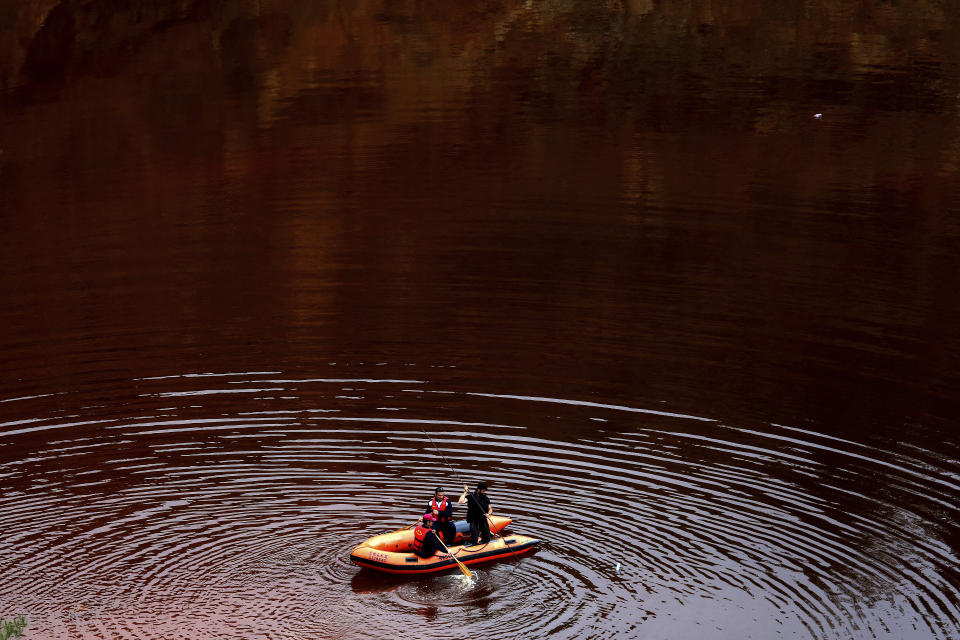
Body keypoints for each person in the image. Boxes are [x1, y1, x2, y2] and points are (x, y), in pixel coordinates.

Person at [458, 481, 492, 545]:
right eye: (483, 490)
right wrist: (465, 492)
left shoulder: (486, 498)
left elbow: (490, 508)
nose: (484, 492)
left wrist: (489, 514)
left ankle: (484, 542)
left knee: (487, 536)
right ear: (478, 489)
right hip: (474, 519)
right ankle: (472, 543)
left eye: (485, 490)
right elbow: (461, 501)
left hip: (483, 518)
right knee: (474, 537)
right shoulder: (471, 496)